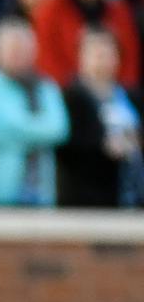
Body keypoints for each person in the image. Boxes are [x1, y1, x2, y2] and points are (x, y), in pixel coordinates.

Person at [0, 17, 69, 205]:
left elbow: (58, 129)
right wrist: (37, 128)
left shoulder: (45, 86)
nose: (17, 54)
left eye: (22, 49)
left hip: (41, 195)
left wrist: (18, 131)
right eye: (12, 48)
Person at [57, 26, 143, 205]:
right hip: (88, 198)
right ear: (81, 57)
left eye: (108, 54)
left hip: (130, 194)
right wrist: (104, 146)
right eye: (97, 54)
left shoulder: (132, 97)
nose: (103, 61)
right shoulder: (70, 97)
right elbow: (68, 143)